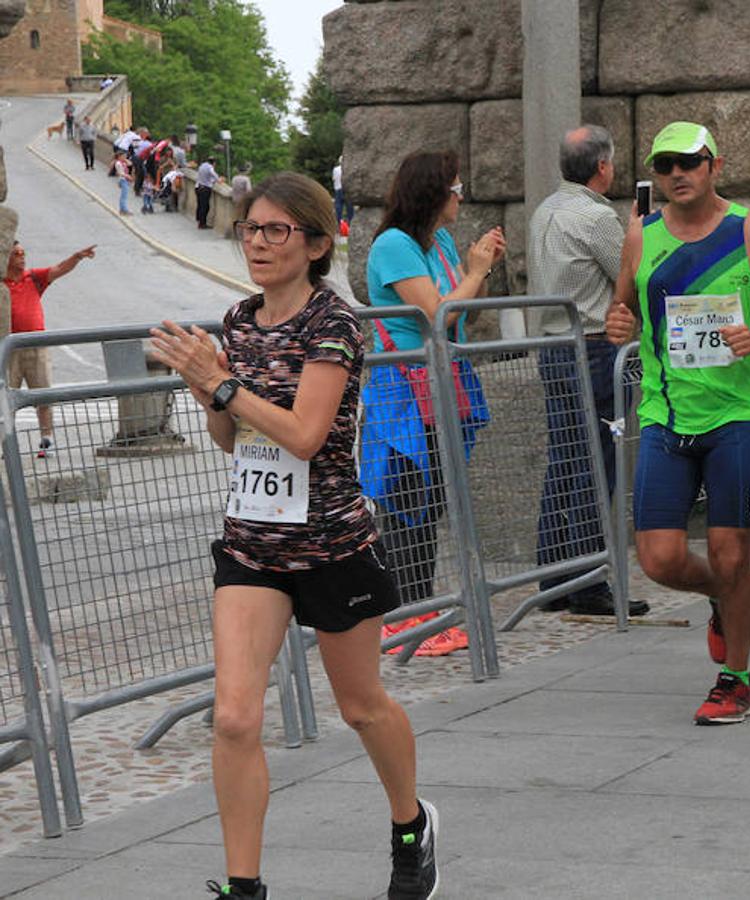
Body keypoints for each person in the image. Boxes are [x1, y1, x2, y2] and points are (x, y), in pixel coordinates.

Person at [149, 173, 437, 900]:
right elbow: (232, 437)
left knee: (361, 705)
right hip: (252, 544)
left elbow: (307, 436)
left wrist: (221, 386)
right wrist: (204, 385)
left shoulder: (332, 325)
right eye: (251, 228)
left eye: (277, 230)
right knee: (238, 717)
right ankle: (243, 887)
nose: (259, 242)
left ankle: (411, 827)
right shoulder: (240, 319)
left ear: (314, 243)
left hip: (332, 542)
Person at [604, 121, 750, 724]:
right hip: (666, 417)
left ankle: (736, 678)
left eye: (690, 163)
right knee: (661, 561)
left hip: (736, 418)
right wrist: (618, 325)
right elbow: (620, 309)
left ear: (714, 166)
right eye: (667, 165)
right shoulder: (641, 236)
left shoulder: (748, 231)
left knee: (730, 554)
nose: (678, 174)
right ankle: (726, 599)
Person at [360, 150, 505, 656]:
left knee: (430, 501)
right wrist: (477, 270)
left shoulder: (438, 240)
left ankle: (419, 612)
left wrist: (474, 268)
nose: (461, 197)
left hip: (438, 384)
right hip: (401, 389)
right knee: (403, 503)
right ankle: (399, 618)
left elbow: (460, 308)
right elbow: (438, 314)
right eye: (456, 189)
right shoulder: (393, 246)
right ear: (434, 193)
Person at [526, 125, 648, 617]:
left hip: (551, 345)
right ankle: (590, 579)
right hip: (593, 347)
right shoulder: (597, 216)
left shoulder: (544, 212)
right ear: (602, 167)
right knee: (597, 462)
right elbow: (629, 273)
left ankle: (553, 574)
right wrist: (639, 230)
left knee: (565, 459)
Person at [4, 240, 95, 457]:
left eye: (23, 252)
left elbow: (59, 269)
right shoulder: (2, 284)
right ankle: (5, 445)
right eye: (17, 253)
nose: (22, 257)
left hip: (36, 346)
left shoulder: (33, 278)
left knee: (43, 394)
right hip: (8, 349)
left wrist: (77, 256)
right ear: (6, 257)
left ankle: (47, 439)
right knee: (5, 399)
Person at [197, 156, 220, 229]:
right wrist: (219, 179)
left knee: (201, 206)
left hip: (199, 187)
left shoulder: (202, 166)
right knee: (205, 206)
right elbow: (215, 176)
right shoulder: (210, 168)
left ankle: (200, 221)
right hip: (205, 189)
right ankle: (202, 223)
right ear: (214, 163)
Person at [333, 156, 354, 226]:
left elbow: (333, 179)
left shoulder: (335, 169)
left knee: (338, 208)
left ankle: (338, 224)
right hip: (347, 189)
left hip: (338, 189)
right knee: (350, 208)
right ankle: (350, 223)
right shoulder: (349, 169)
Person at [114, 148, 133, 216]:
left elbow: (130, 164)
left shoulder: (123, 162)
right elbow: (120, 172)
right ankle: (124, 210)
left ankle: (122, 209)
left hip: (125, 179)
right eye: (123, 156)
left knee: (124, 195)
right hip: (123, 179)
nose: (125, 157)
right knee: (124, 196)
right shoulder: (118, 163)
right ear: (119, 156)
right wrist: (127, 176)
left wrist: (125, 160)